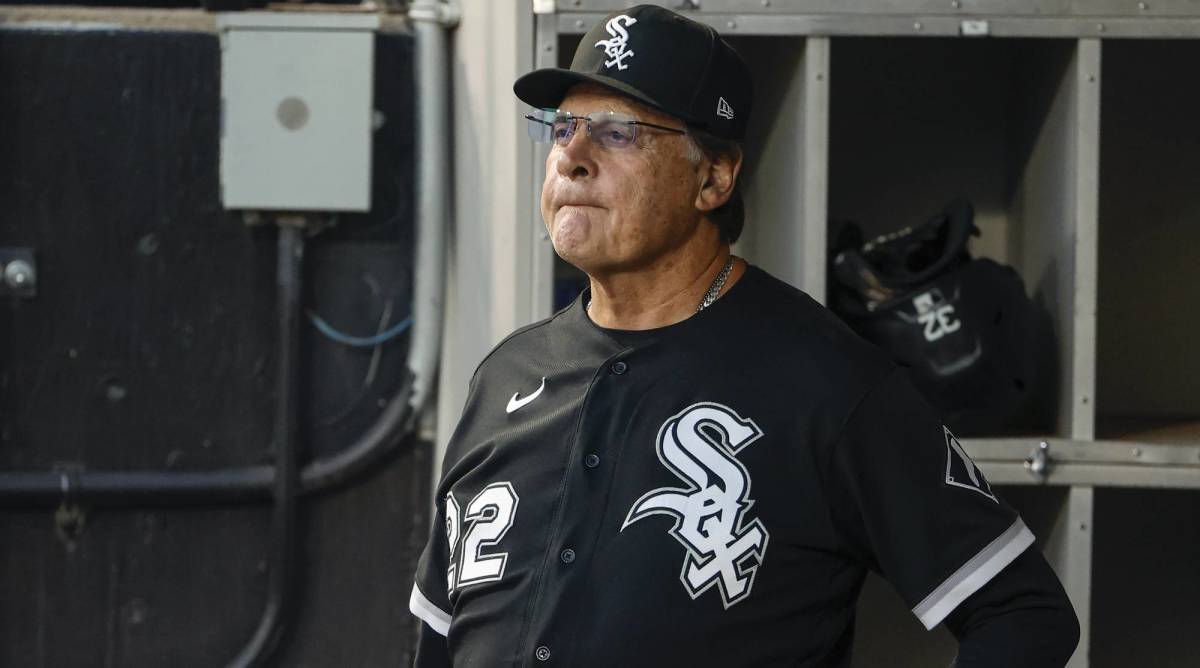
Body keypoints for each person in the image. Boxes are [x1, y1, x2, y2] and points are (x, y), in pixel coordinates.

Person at [409, 4, 1079, 666]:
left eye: (617, 133)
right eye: (561, 128)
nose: (572, 158)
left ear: (714, 177)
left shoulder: (827, 382)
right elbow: (437, 644)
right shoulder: (505, 378)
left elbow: (1023, 615)